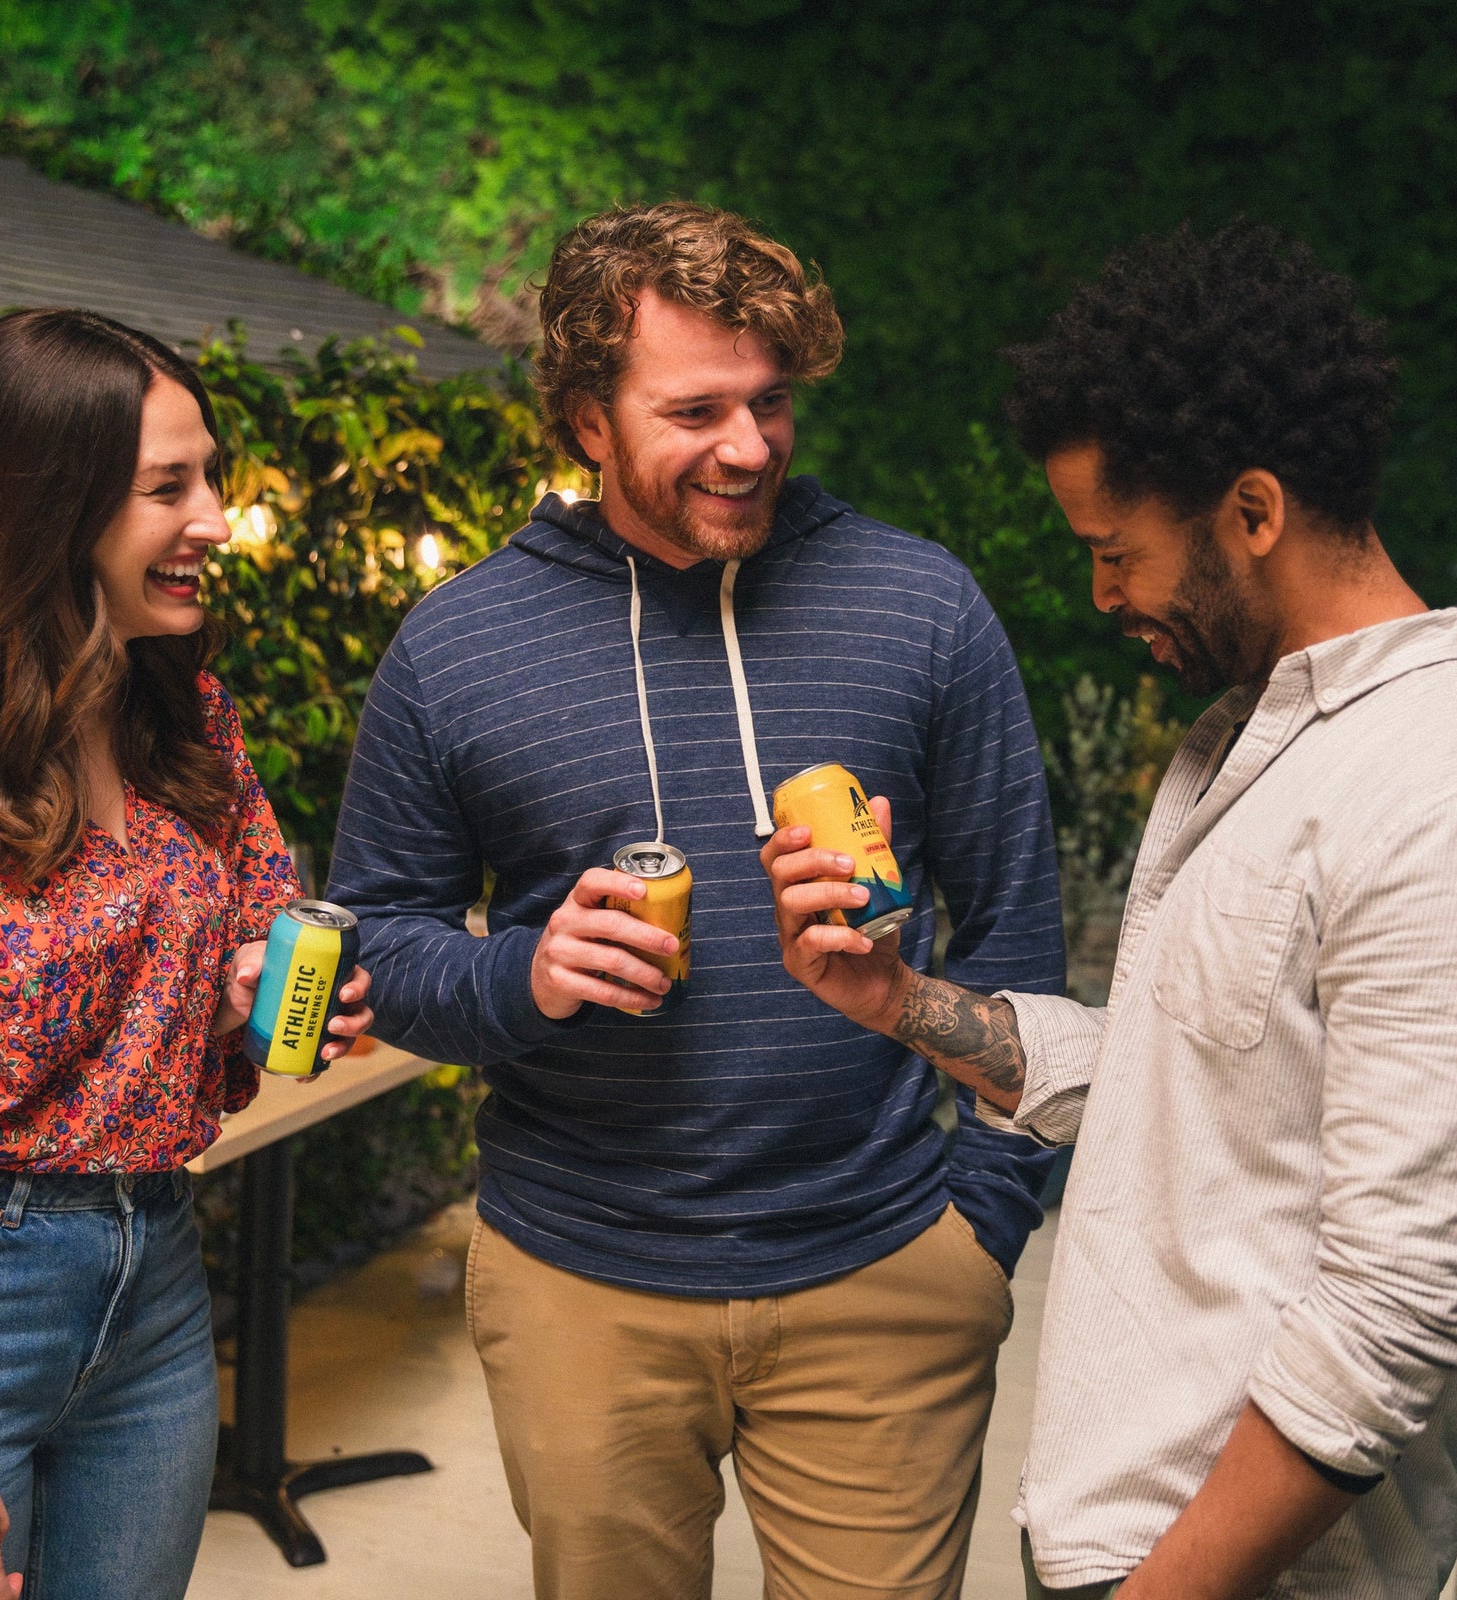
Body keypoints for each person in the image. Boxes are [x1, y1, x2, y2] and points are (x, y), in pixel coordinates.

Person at [328, 200, 1064, 1599]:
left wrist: (986, 1218)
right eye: (697, 409)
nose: (749, 446)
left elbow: (1022, 934)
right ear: (586, 420)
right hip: (577, 1279)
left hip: (889, 1262)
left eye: (773, 401)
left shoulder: (920, 605)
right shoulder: (458, 645)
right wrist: (520, 978)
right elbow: (383, 943)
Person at [763, 220, 1457, 1600]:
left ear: (1253, 512)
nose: (1100, 595)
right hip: (1121, 1532)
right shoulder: (1245, 742)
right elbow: (1175, 1088)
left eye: (1116, 551)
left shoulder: (1425, 785)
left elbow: (1397, 1306)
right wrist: (895, 1001)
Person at [0, 308, 372, 1600]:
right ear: (43, 505)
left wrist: (258, 1000)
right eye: (167, 488)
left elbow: (256, 929)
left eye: (212, 480)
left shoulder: (181, 713)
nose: (215, 520)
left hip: (155, 1275)